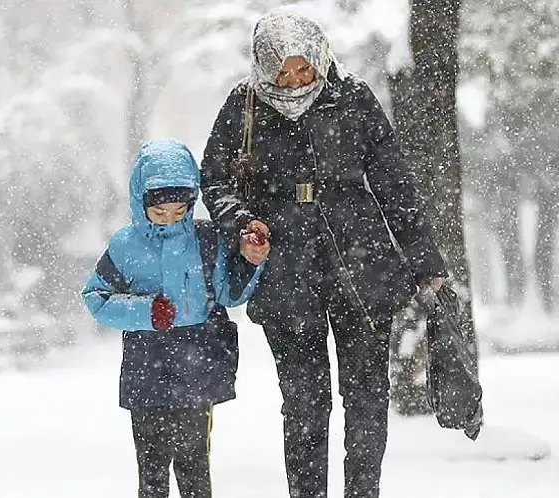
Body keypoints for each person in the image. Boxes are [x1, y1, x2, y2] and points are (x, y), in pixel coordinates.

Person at [200, 10, 446, 498]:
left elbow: (395, 184)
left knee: (367, 397)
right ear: (263, 67)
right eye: (281, 72)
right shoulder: (243, 105)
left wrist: (426, 263)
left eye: (303, 69)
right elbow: (216, 178)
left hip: (362, 266)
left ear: (318, 57)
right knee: (304, 403)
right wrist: (241, 222)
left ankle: (363, 491)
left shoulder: (352, 99)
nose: (293, 82)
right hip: (284, 272)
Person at [82, 138, 268, 498]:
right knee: (151, 469)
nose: (170, 219)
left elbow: (228, 294)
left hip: (197, 366)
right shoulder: (125, 246)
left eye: (180, 210)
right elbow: (96, 298)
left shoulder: (206, 238)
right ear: (141, 202)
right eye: (159, 212)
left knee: (194, 464)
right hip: (146, 366)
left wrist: (251, 262)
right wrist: (145, 311)